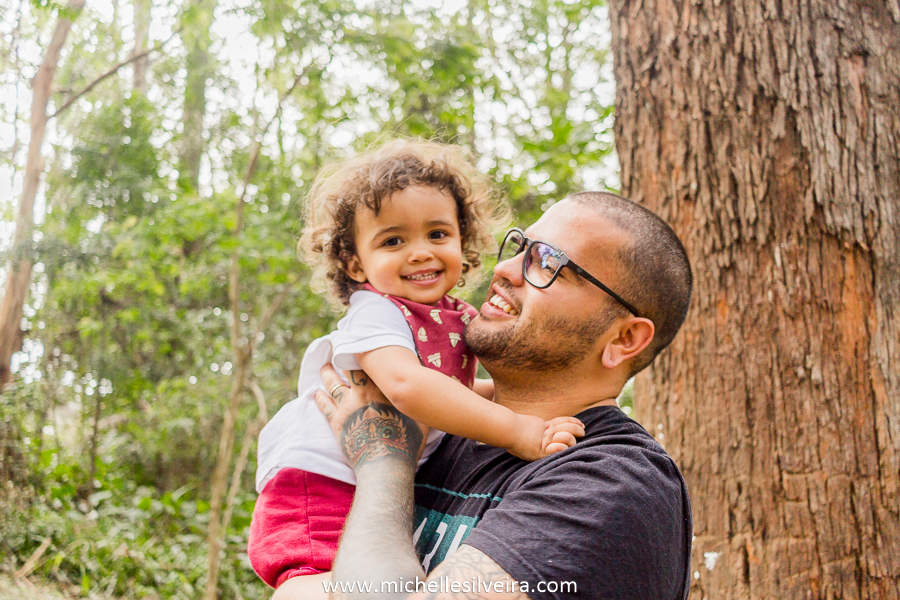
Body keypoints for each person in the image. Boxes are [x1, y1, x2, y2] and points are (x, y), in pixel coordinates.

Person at [278, 190, 694, 600]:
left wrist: (381, 461)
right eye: (519, 247)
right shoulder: (445, 427)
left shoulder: (609, 483)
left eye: (547, 262)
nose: (506, 270)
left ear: (624, 338)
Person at [249, 140, 584, 589]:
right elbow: (406, 386)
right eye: (393, 240)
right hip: (320, 483)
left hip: (363, 481)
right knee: (323, 584)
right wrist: (518, 430)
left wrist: (539, 405)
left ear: (463, 242)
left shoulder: (457, 315)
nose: (421, 251)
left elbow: (457, 393)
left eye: (438, 234)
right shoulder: (377, 312)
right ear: (355, 263)